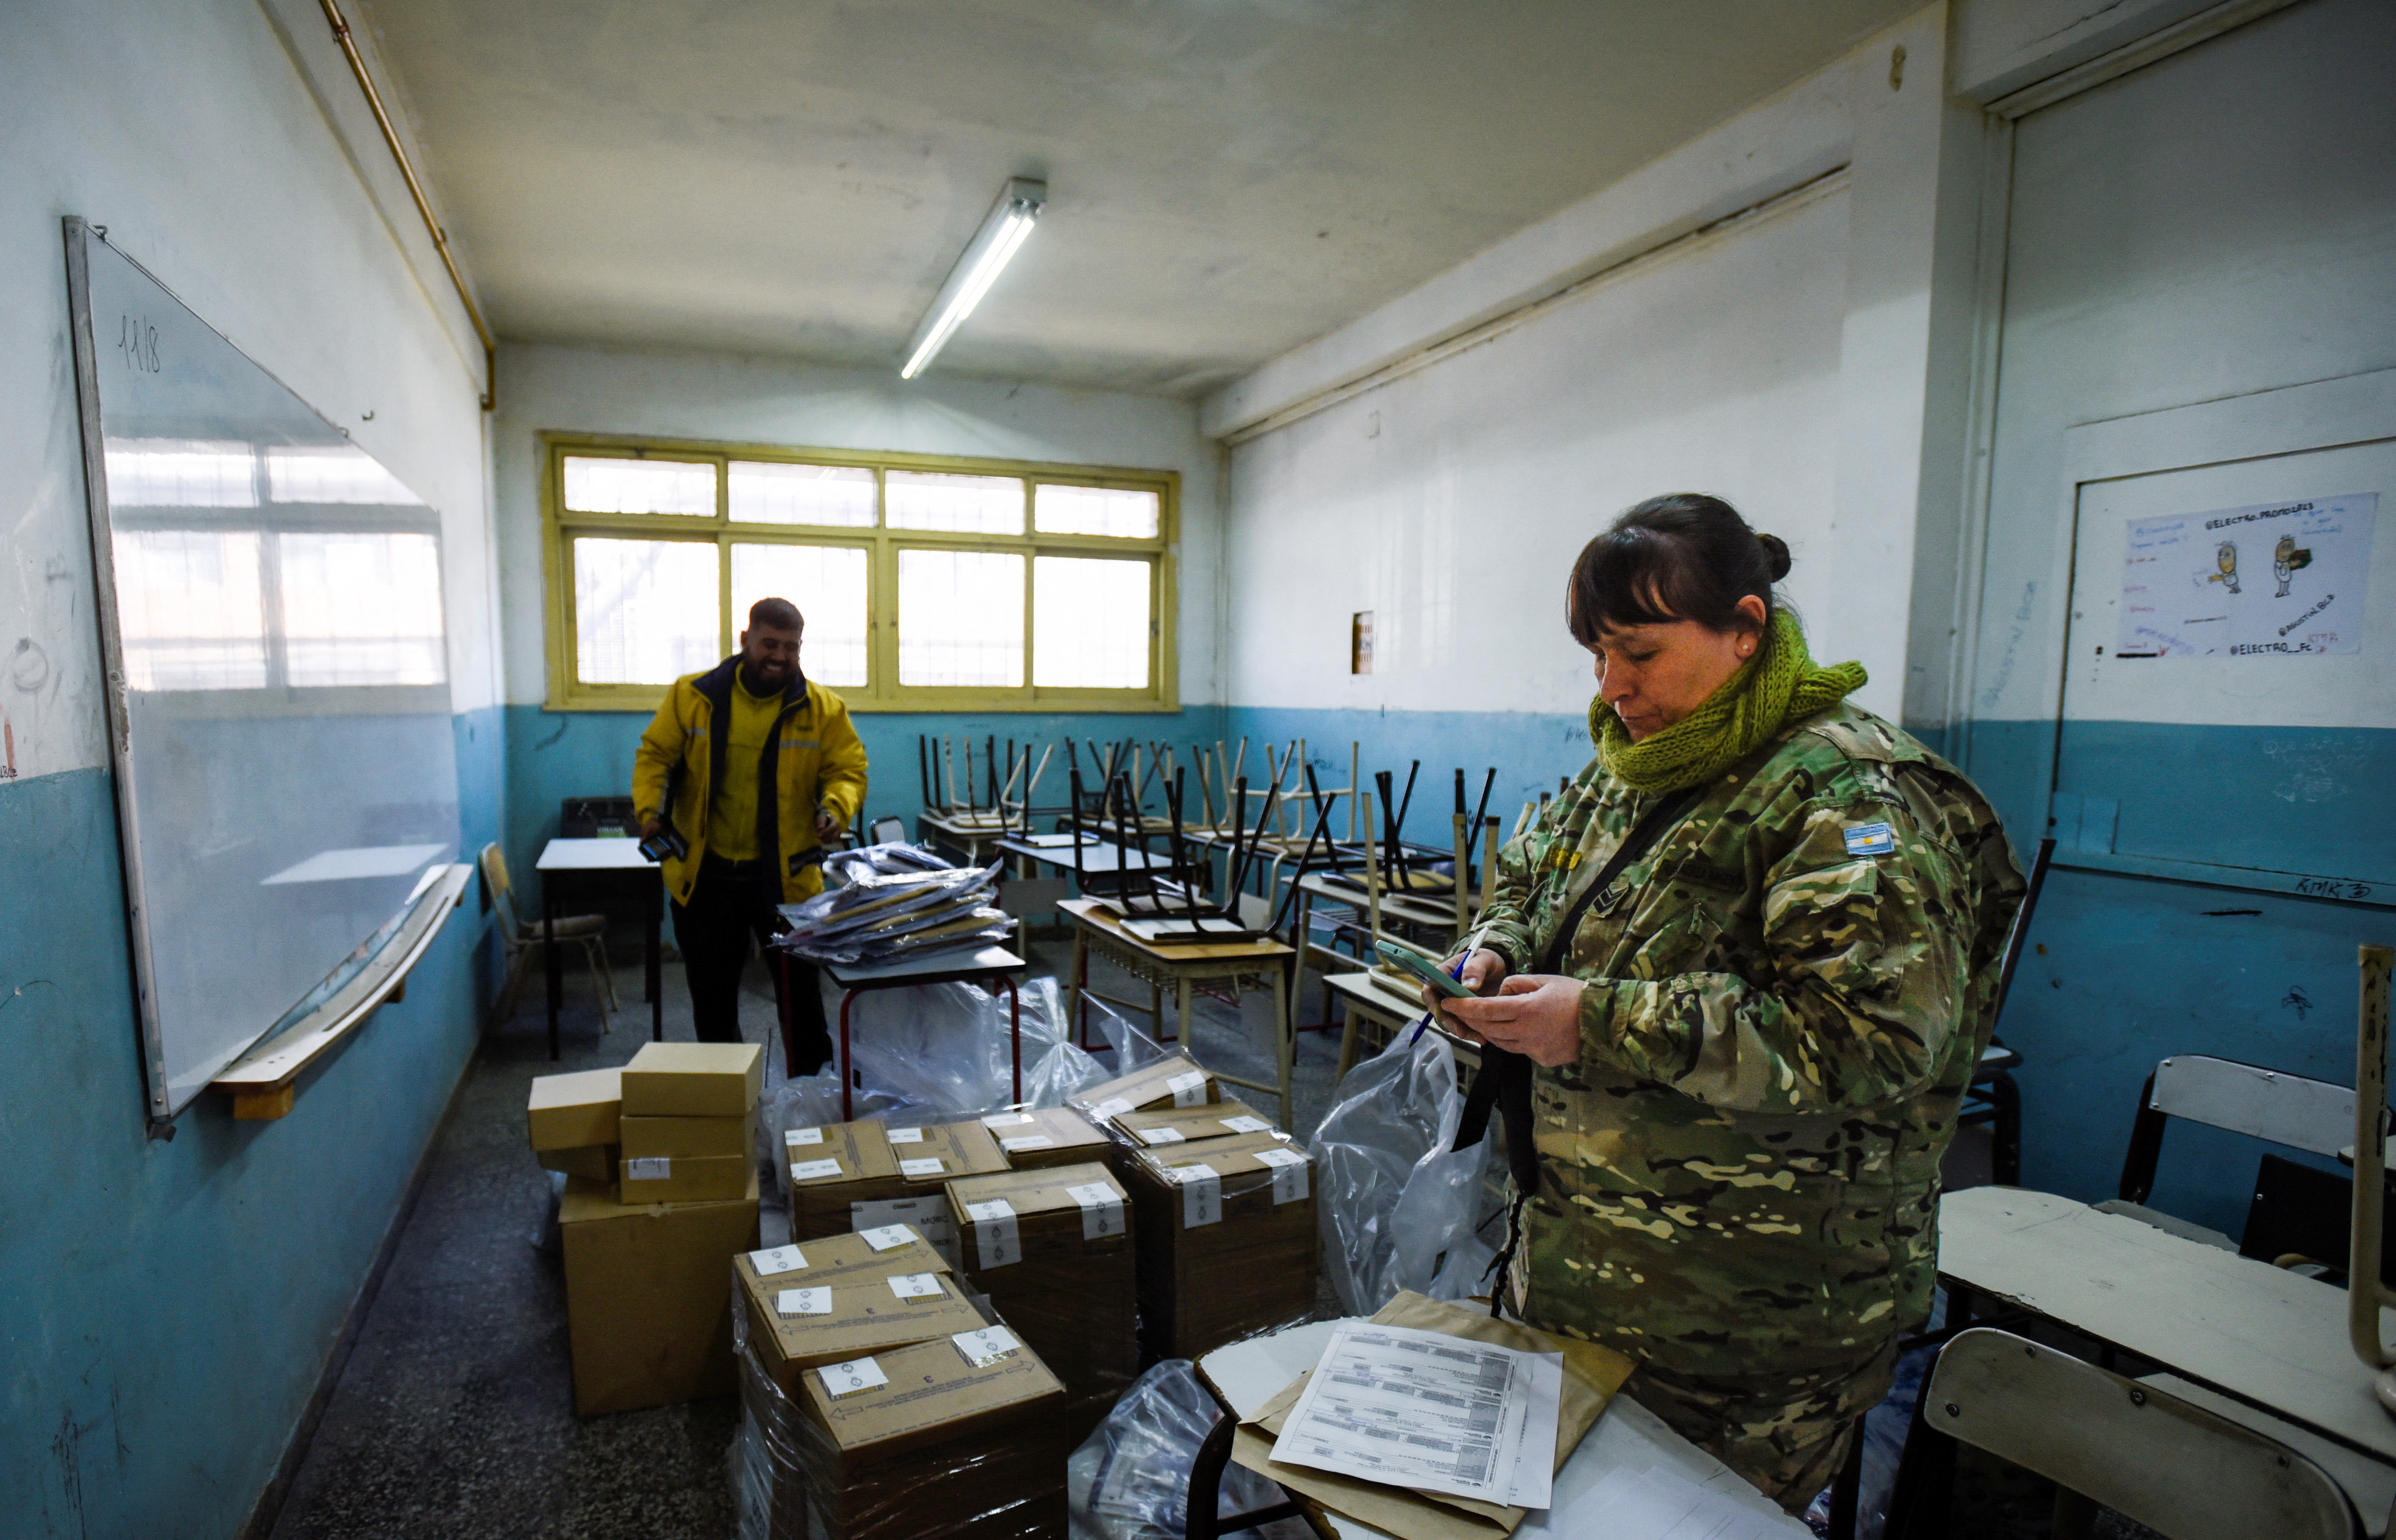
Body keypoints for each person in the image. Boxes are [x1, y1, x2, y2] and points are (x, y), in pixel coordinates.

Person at [1430, 494, 2023, 1513]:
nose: (1612, 687)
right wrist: (1491, 954)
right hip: (1586, 1265)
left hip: (1750, 1318)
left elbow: (1871, 1039)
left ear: (1745, 629)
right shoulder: (1637, 767)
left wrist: (1600, 1019)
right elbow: (1536, 879)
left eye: (1640, 653)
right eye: (1597, 656)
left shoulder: (1849, 796)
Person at [634, 597, 867, 1067]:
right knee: (713, 1004)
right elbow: (656, 756)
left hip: (786, 882)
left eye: (791, 647)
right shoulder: (692, 696)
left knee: (802, 1003)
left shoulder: (823, 708)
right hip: (704, 879)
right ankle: (729, 1100)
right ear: (745, 640)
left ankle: (812, 1106)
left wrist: (836, 808)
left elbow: (847, 769)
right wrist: (650, 810)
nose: (779, 656)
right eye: (769, 644)